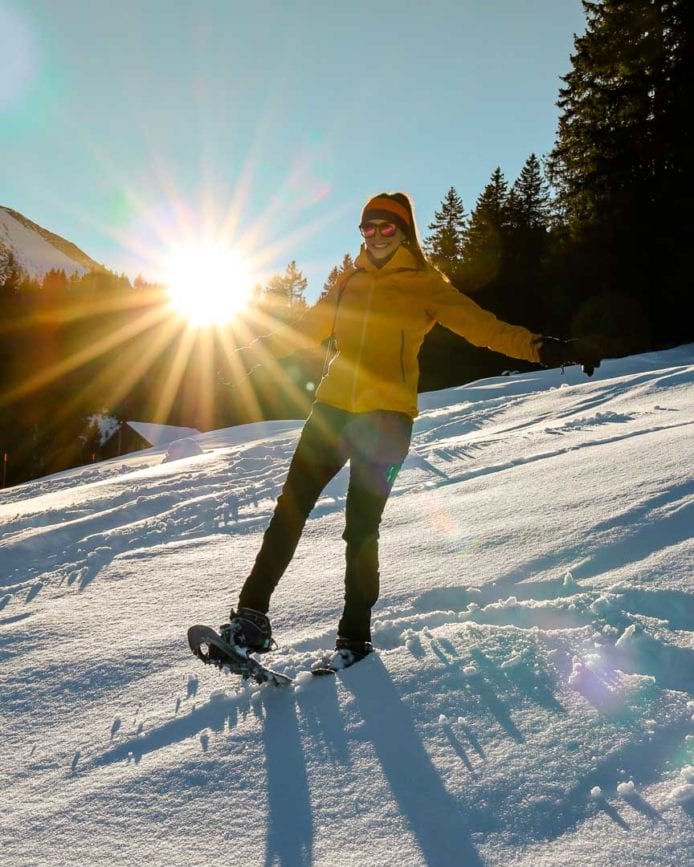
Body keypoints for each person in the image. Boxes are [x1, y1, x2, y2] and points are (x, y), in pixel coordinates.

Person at [220, 192, 600, 670]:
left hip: (387, 420)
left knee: (361, 529)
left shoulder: (425, 284)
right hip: (331, 409)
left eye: (386, 227)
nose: (376, 236)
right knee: (288, 511)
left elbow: (483, 327)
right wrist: (247, 354)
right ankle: (251, 620)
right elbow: (307, 327)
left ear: (404, 232)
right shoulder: (348, 282)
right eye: (368, 227)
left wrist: (543, 348)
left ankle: (354, 640)